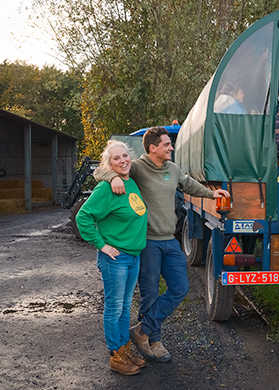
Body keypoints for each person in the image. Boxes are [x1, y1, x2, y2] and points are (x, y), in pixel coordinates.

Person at [94, 127, 230, 362]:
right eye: (167, 144)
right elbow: (100, 172)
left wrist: (211, 194)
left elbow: (189, 185)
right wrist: (113, 177)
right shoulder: (137, 166)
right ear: (152, 148)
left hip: (170, 240)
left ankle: (142, 330)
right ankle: (154, 342)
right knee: (149, 294)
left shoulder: (173, 169)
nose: (171, 148)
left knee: (180, 287)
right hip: (147, 242)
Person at [76, 141, 148, 376]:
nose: (123, 161)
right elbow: (83, 217)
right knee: (115, 306)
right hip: (116, 258)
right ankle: (115, 356)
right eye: (116, 158)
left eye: (125, 156)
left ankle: (124, 349)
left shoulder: (130, 182)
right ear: (109, 164)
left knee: (125, 306)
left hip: (133, 256)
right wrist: (102, 245)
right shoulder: (106, 189)